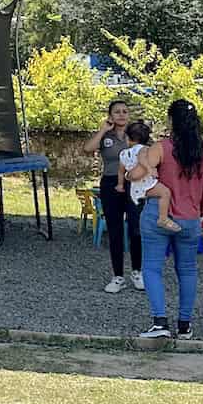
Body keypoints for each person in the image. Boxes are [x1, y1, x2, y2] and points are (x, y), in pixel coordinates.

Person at [131, 99, 203, 340]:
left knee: (151, 268)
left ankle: (160, 321)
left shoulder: (161, 147)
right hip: (190, 219)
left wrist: (136, 165)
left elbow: (138, 174)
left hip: (157, 217)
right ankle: (184, 324)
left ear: (172, 121)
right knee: (188, 271)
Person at [83, 100, 143, 294]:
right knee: (115, 230)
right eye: (117, 112)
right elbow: (87, 149)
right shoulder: (106, 136)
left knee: (136, 228)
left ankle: (137, 271)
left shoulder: (135, 135)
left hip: (133, 183)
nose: (121, 115)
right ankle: (118, 276)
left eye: (125, 111)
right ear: (110, 115)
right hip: (110, 183)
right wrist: (102, 130)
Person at [120, 121, 180, 233]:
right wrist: (150, 168)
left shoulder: (123, 153)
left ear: (127, 138)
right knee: (165, 193)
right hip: (146, 183)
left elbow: (121, 171)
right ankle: (163, 218)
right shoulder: (145, 149)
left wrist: (121, 182)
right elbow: (142, 159)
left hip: (135, 187)